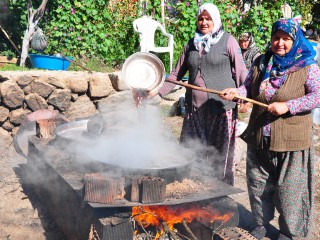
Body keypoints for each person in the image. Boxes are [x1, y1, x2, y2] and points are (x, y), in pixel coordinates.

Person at [220, 18, 320, 239]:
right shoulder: (262, 62)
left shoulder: (308, 66)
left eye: (286, 39)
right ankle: (260, 223)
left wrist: (288, 106)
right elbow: (248, 87)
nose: (280, 43)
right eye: (276, 38)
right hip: (260, 136)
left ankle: (288, 231)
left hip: (291, 140)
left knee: (289, 190)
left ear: (295, 41)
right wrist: (237, 93)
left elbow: (318, 96)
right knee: (258, 185)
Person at [141, 3, 247, 185]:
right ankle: (194, 191)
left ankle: (221, 194)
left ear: (216, 20)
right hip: (194, 110)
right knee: (192, 154)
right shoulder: (191, 44)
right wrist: (157, 92)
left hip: (221, 109)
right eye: (201, 18)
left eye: (208, 19)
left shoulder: (228, 41)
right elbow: (175, 75)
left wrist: (243, 95)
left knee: (219, 155)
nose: (204, 22)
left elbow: (241, 72)